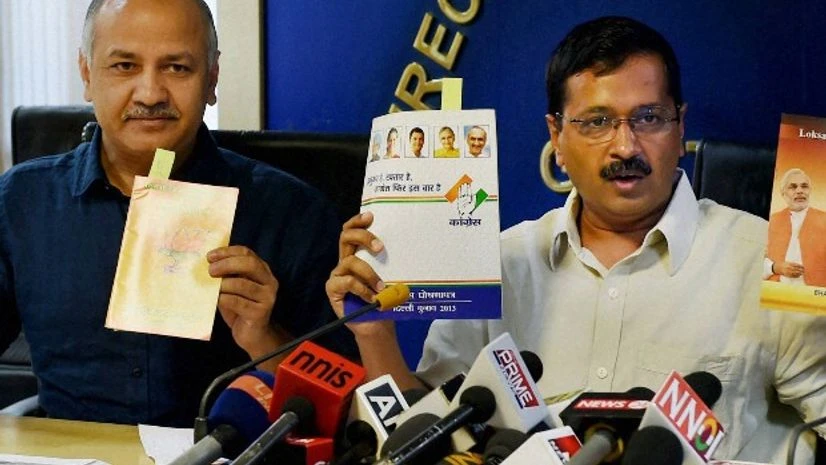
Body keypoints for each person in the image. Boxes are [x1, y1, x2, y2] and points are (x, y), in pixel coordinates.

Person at [326, 16, 826, 463]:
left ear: (680, 127)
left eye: (649, 118)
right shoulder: (498, 261)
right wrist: (375, 335)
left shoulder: (778, 260)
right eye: (597, 123)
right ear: (557, 138)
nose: (625, 146)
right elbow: (430, 433)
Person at [0, 0, 354, 427]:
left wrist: (266, 337)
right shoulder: (21, 200)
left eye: (177, 68)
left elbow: (346, 412)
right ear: (87, 74)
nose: (150, 93)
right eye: (124, 66)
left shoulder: (293, 212)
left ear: (213, 78)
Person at [764, 168, 826, 286]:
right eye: (793, 187)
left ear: (810, 191)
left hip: (815, 296)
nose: (799, 191)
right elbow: (754, 260)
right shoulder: (772, 221)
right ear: (783, 194)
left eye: (804, 186)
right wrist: (775, 268)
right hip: (773, 294)